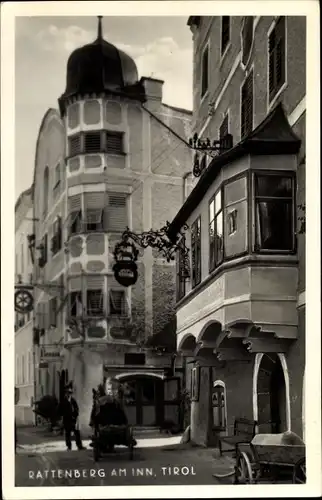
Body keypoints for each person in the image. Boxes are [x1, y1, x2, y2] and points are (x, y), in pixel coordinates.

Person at [59, 386, 85, 451]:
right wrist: (62, 416)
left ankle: (79, 446)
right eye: (67, 393)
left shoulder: (73, 401)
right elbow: (59, 410)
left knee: (77, 432)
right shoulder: (63, 401)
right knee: (67, 433)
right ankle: (69, 446)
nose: (68, 394)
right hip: (66, 419)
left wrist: (75, 415)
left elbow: (77, 409)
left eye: (70, 393)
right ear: (65, 393)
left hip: (73, 419)